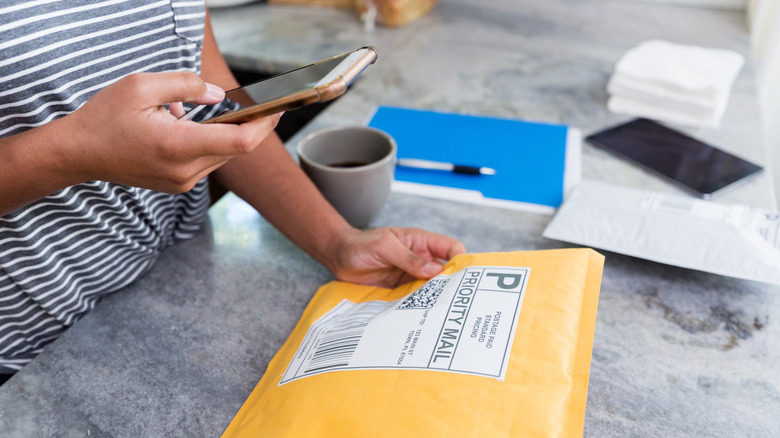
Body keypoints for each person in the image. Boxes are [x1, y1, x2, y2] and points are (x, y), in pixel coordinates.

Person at [0, 1, 464, 381]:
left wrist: (337, 241)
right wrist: (74, 152)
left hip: (176, 284)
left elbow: (219, 101)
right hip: (29, 352)